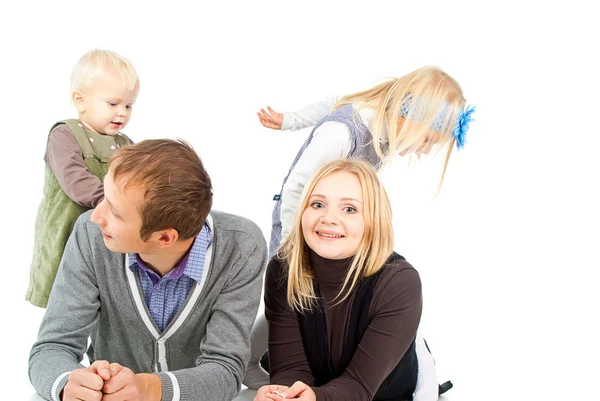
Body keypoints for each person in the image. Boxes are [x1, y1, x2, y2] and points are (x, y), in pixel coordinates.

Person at [245, 66, 474, 399]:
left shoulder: (375, 128)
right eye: (427, 140)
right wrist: (293, 251)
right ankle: (252, 361)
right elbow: (297, 189)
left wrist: (289, 120)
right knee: (295, 297)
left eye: (351, 208)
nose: (425, 150)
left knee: (349, 302)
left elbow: (333, 101)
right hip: (294, 226)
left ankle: (411, 355)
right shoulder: (342, 133)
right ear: (411, 119)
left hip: (372, 353)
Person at [29, 139, 268, 401]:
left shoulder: (241, 246)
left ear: (165, 238)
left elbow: (225, 371)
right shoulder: (91, 233)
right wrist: (67, 383)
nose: (97, 216)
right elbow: (52, 347)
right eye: (104, 196)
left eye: (116, 212)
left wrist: (149, 388)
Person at [255, 159, 445, 401]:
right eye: (317, 204)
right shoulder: (283, 270)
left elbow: (359, 386)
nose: (328, 218)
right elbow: (290, 368)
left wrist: (314, 398)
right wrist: (282, 394)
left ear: (374, 220)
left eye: (349, 209)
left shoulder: (400, 282)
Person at [26, 49, 140, 308]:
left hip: (107, 236)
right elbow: (76, 181)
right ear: (80, 100)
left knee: (107, 303)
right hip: (67, 230)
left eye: (128, 105)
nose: (122, 112)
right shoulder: (64, 135)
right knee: (68, 301)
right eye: (113, 104)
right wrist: (118, 204)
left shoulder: (127, 145)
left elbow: (139, 182)